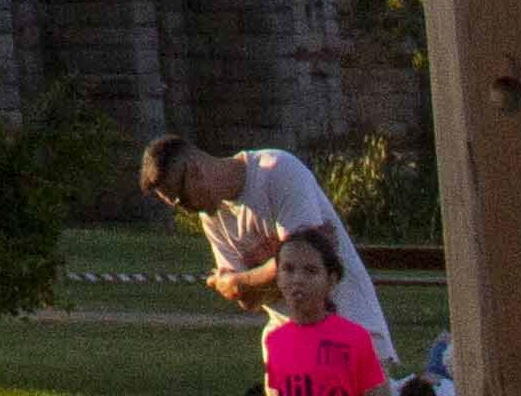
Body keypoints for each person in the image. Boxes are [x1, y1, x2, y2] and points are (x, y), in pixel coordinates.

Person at [149, 132, 395, 388]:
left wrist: (241, 279)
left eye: (180, 198)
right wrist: (255, 278)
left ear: (194, 170)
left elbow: (305, 258)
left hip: (347, 328)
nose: (184, 209)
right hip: (289, 346)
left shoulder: (276, 171)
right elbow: (247, 298)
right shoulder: (212, 218)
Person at [257, 219, 392, 395]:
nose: (298, 279)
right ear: (278, 278)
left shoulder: (355, 338)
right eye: (288, 269)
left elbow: (377, 391)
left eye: (310, 271)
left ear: (331, 280)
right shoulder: (275, 340)